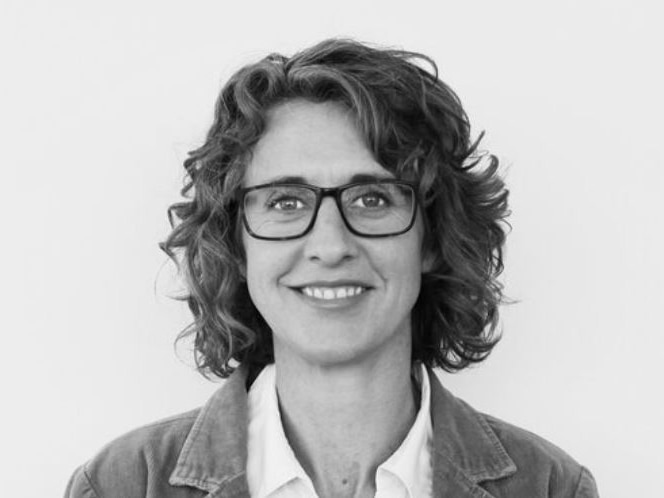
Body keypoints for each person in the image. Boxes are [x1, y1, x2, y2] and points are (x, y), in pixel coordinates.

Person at [65, 38, 599, 498]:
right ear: (237, 241)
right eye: (286, 201)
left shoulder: (548, 485)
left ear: (432, 237)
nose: (330, 245)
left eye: (372, 199)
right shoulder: (125, 483)